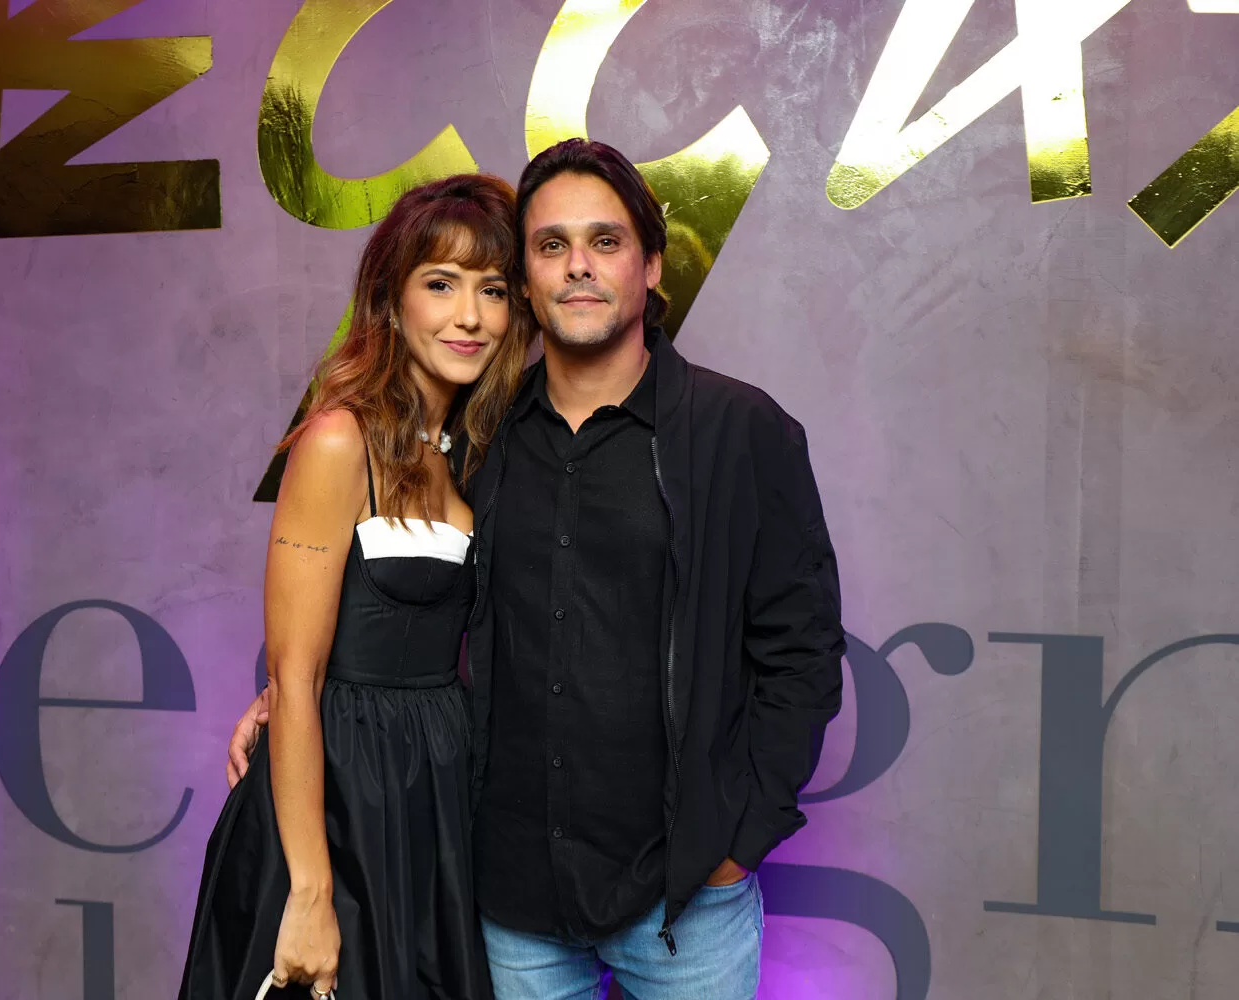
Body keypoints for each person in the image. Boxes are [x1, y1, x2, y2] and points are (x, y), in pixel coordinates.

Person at [230, 139, 845, 999]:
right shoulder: (479, 440)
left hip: (686, 905)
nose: (579, 266)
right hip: (509, 903)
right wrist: (293, 693)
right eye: (552, 245)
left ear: (651, 266)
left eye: (606, 241)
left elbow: (802, 654)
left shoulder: (742, 433)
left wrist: (737, 842)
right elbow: (391, 595)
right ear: (528, 280)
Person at [177, 173, 531, 1000]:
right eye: (440, 284)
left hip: (435, 798)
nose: (469, 316)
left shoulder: (478, 451)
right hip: (338, 804)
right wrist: (310, 894)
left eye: (492, 290)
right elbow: (297, 677)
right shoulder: (339, 440)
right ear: (391, 299)